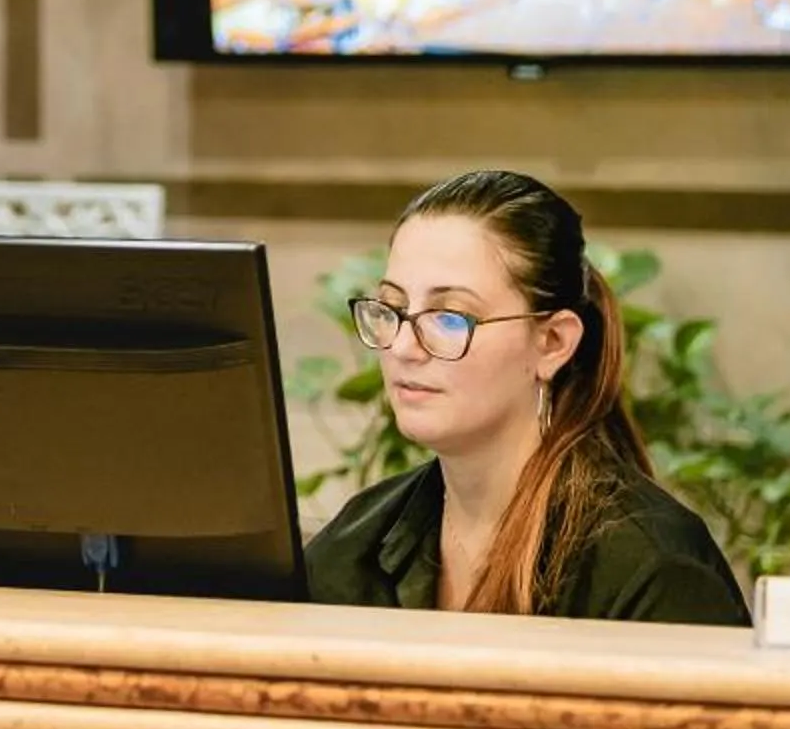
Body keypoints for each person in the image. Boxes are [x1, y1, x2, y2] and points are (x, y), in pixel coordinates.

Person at [304, 168, 751, 625]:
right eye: (393, 308)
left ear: (553, 343)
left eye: (450, 317)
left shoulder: (651, 568)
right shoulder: (356, 543)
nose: (402, 347)